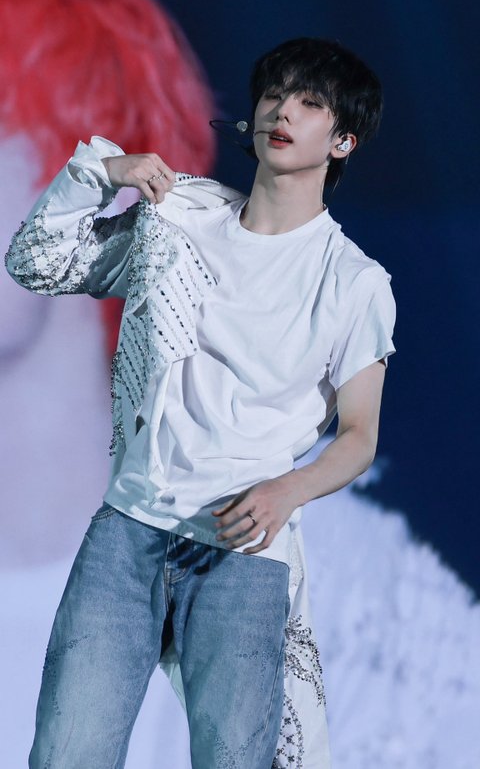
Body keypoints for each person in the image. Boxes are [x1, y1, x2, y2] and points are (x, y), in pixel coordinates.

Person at [5, 37, 396, 769]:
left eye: (310, 102)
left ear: (343, 140)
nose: (283, 110)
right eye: (274, 93)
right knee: (64, 756)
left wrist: (286, 490)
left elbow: (359, 435)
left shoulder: (354, 281)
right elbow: (35, 262)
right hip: (130, 530)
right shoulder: (179, 218)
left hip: (241, 554)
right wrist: (103, 173)